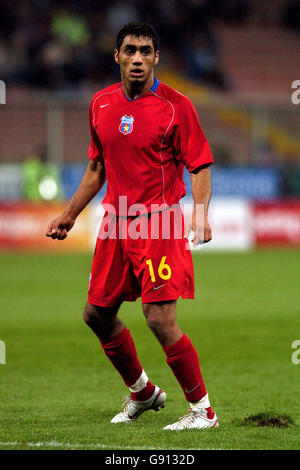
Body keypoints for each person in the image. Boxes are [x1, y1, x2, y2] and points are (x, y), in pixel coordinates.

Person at [46, 22, 218, 431]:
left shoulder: (177, 106)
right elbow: (96, 165)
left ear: (156, 57)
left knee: (159, 318)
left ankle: (202, 411)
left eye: (145, 51)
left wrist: (200, 212)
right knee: (96, 314)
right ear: (117, 56)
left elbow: (200, 163)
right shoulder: (100, 104)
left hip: (158, 223)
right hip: (115, 224)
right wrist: (69, 214)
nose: (137, 58)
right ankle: (142, 392)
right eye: (130, 51)